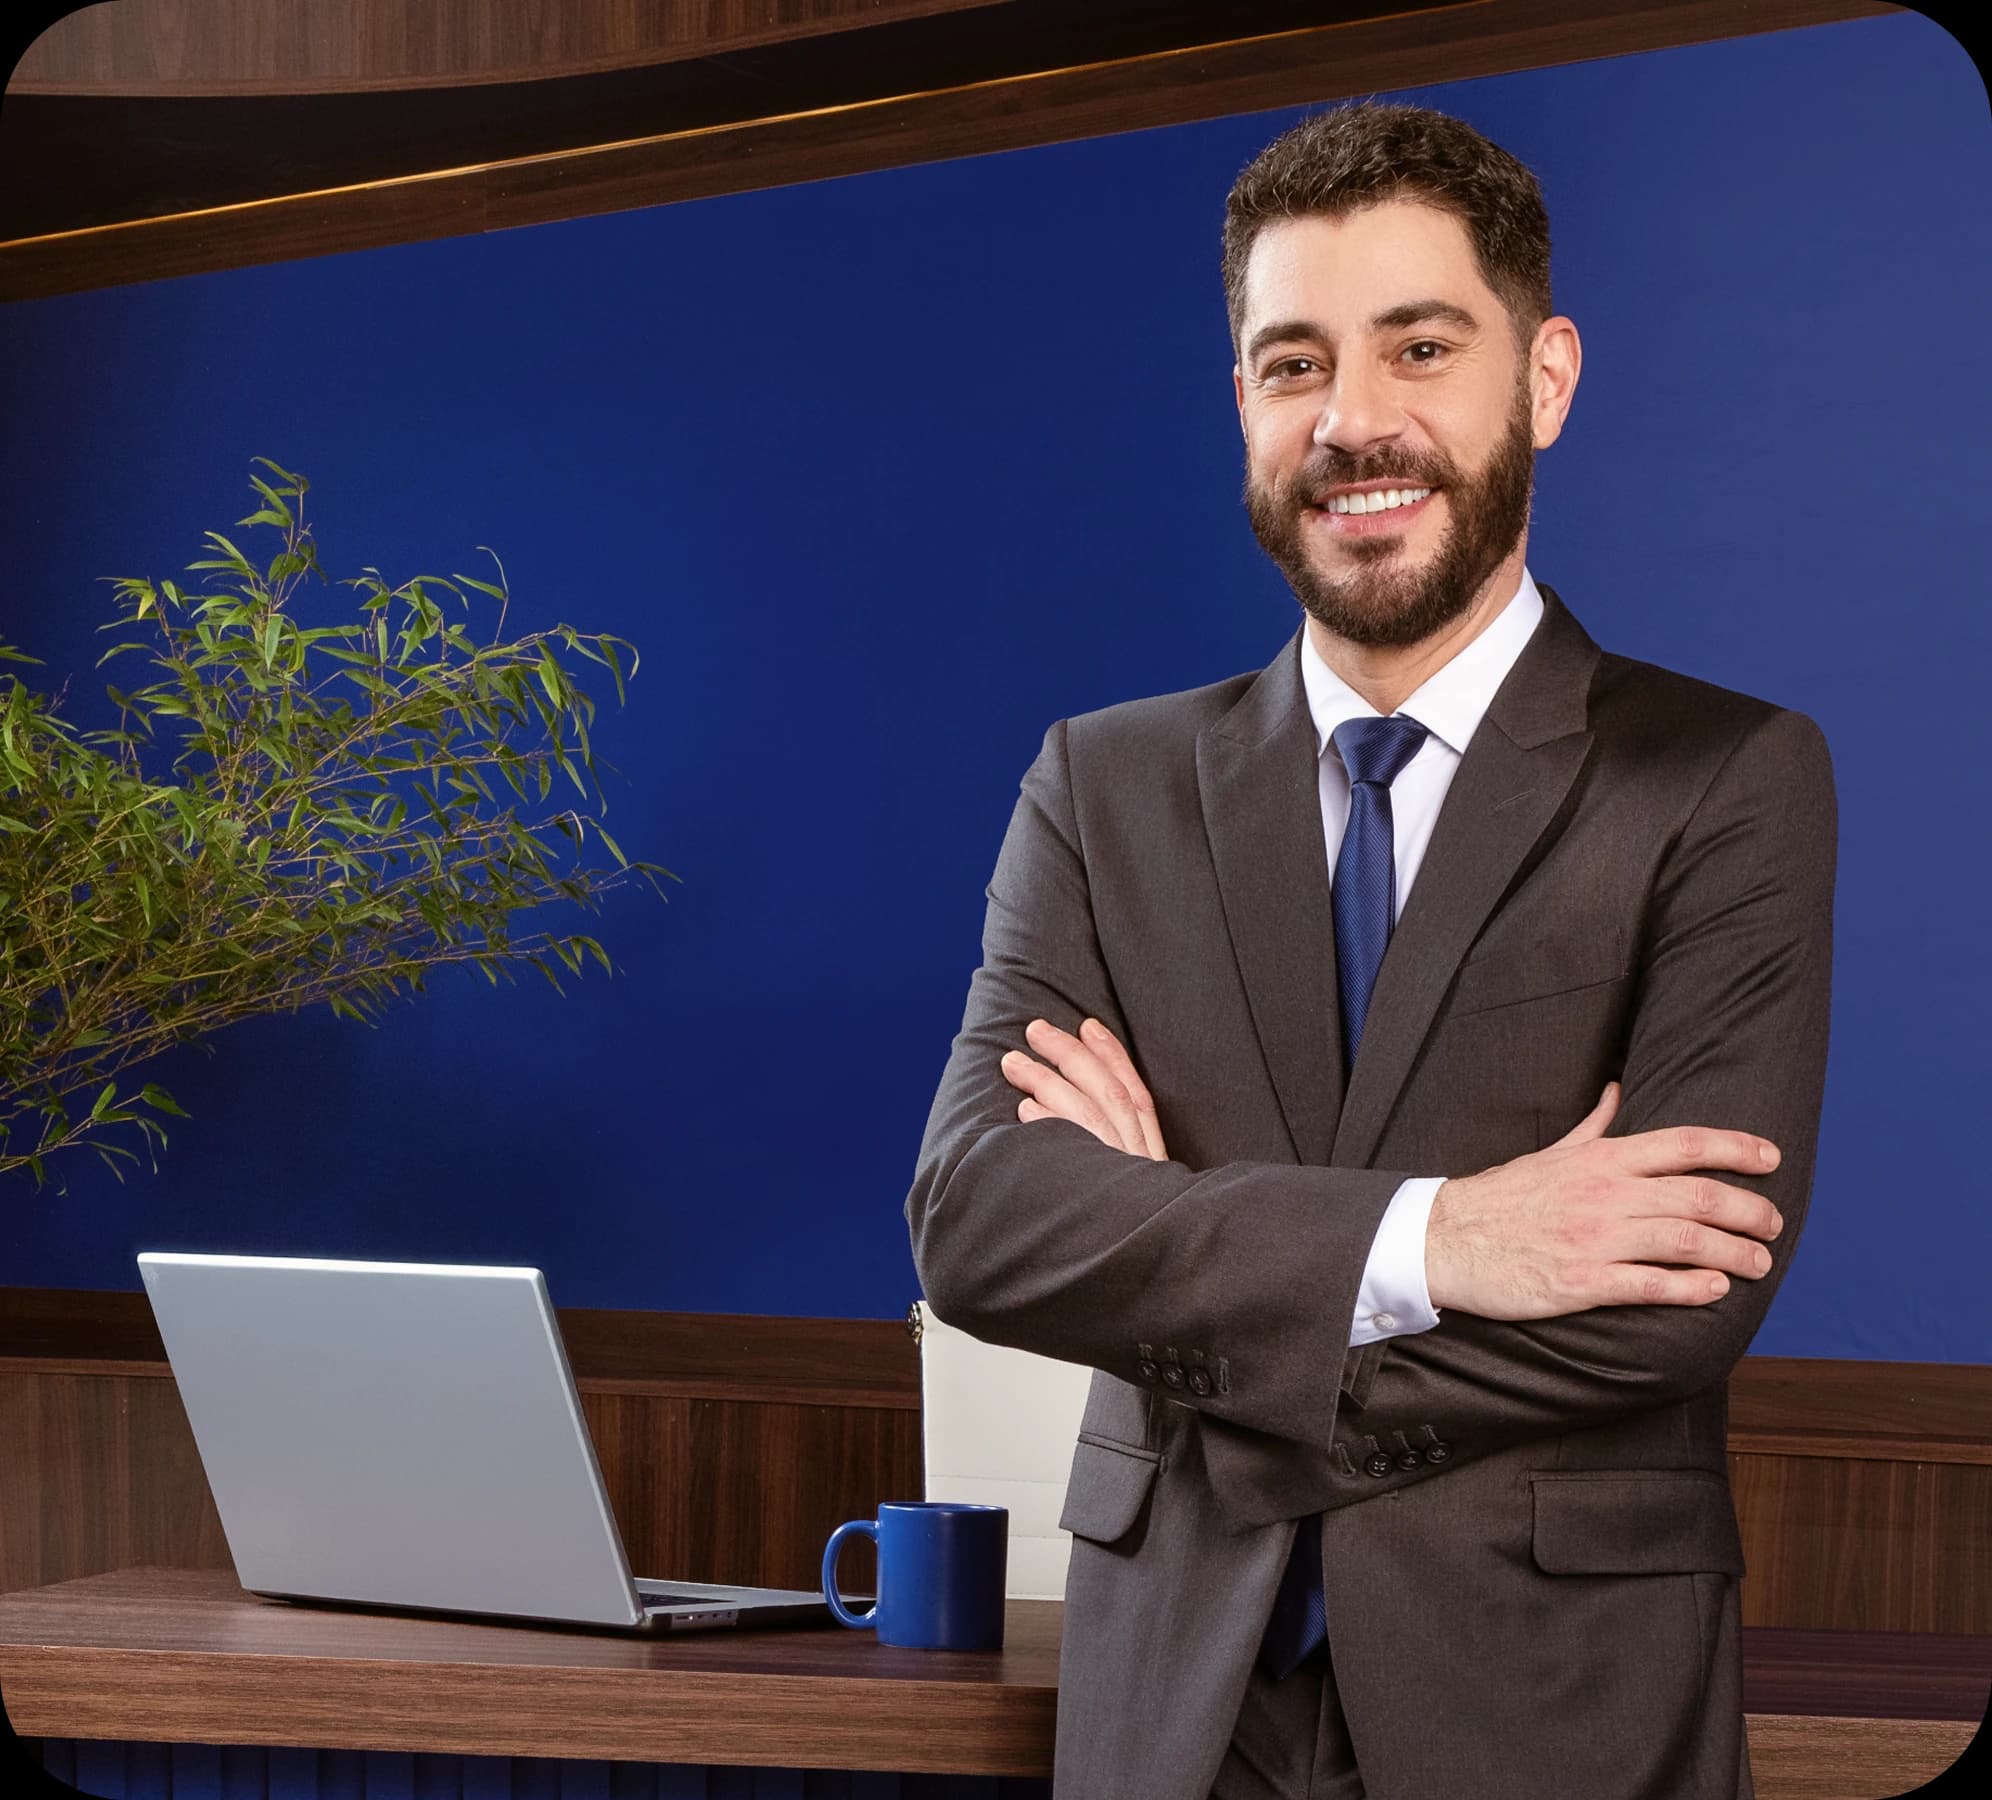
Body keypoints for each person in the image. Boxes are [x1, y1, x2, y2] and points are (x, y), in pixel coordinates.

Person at [904, 102, 1834, 1800]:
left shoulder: (1727, 780)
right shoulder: (1100, 786)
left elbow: (1671, 1305)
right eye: (1292, 363)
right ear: (1242, 404)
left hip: (1552, 1708)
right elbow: (979, 1223)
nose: (1354, 422)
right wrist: (1447, 1235)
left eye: (1421, 346)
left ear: (1542, 380)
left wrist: (1171, 1263)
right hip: (1172, 1709)